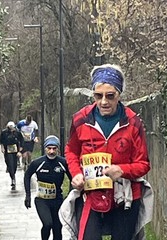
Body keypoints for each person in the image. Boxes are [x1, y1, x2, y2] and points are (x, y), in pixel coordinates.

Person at [64, 64, 151, 240]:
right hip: (90, 193)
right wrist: (76, 174)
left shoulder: (133, 122)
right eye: (98, 95)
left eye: (110, 96)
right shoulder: (80, 119)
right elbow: (71, 151)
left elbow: (143, 164)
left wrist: (122, 171)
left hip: (124, 195)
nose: (104, 102)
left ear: (119, 94)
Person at [24, 135, 72, 240]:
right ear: (45, 148)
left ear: (58, 149)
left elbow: (73, 179)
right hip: (42, 200)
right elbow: (27, 176)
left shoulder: (63, 163)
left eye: (54, 149)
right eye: (49, 148)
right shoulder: (37, 163)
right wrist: (28, 196)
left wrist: (69, 196)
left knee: (57, 227)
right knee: (47, 224)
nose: (51, 151)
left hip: (57, 200)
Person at [0, 121, 24, 190]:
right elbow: (1, 141)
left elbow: (21, 140)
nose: (11, 129)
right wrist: (2, 148)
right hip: (7, 150)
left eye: (12, 127)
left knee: (14, 164)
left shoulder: (17, 132)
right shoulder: (4, 132)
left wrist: (20, 150)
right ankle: (12, 177)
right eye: (9, 127)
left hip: (15, 150)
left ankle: (13, 175)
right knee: (9, 163)